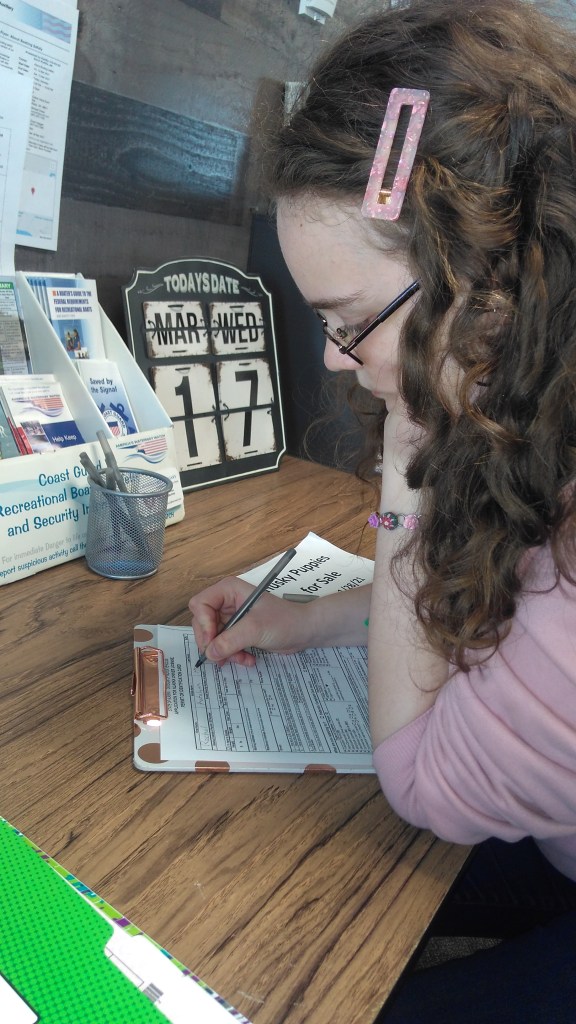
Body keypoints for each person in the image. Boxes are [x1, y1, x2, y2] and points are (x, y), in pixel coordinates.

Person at [189, 1, 576, 1018]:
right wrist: (311, 618)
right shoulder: (533, 402)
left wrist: (408, 455)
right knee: (297, 897)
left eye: (349, 322)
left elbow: (423, 784)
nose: (333, 359)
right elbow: (495, 605)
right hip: (557, 834)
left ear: (486, 287)